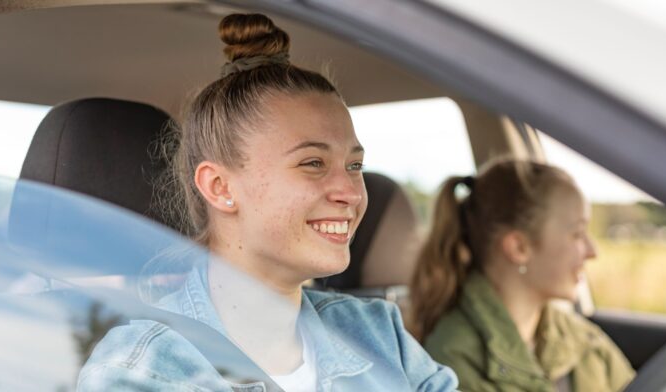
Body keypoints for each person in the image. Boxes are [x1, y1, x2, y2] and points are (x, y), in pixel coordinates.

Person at [76, 13, 457, 392]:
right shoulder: (143, 369)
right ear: (220, 186)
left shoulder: (377, 333)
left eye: (354, 165)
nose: (352, 192)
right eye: (313, 163)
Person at [410, 159, 666, 392]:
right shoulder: (452, 361)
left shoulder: (582, 341)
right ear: (519, 248)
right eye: (576, 234)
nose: (591, 250)